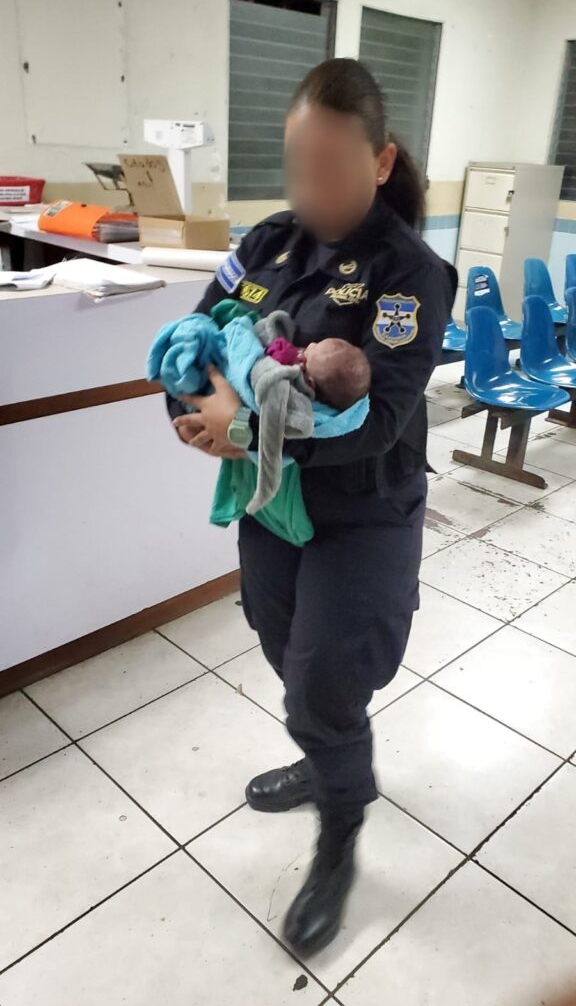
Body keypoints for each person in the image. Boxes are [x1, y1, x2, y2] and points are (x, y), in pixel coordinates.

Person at [170, 57, 457, 957]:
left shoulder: (412, 274)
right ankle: (322, 747)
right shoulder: (266, 244)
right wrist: (197, 406)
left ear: (381, 161)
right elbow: (196, 335)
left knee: (327, 675)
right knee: (281, 642)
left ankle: (340, 830)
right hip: (275, 507)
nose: (312, 190)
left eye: (333, 168)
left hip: (364, 510)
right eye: (299, 168)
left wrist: (247, 429)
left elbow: (379, 423)